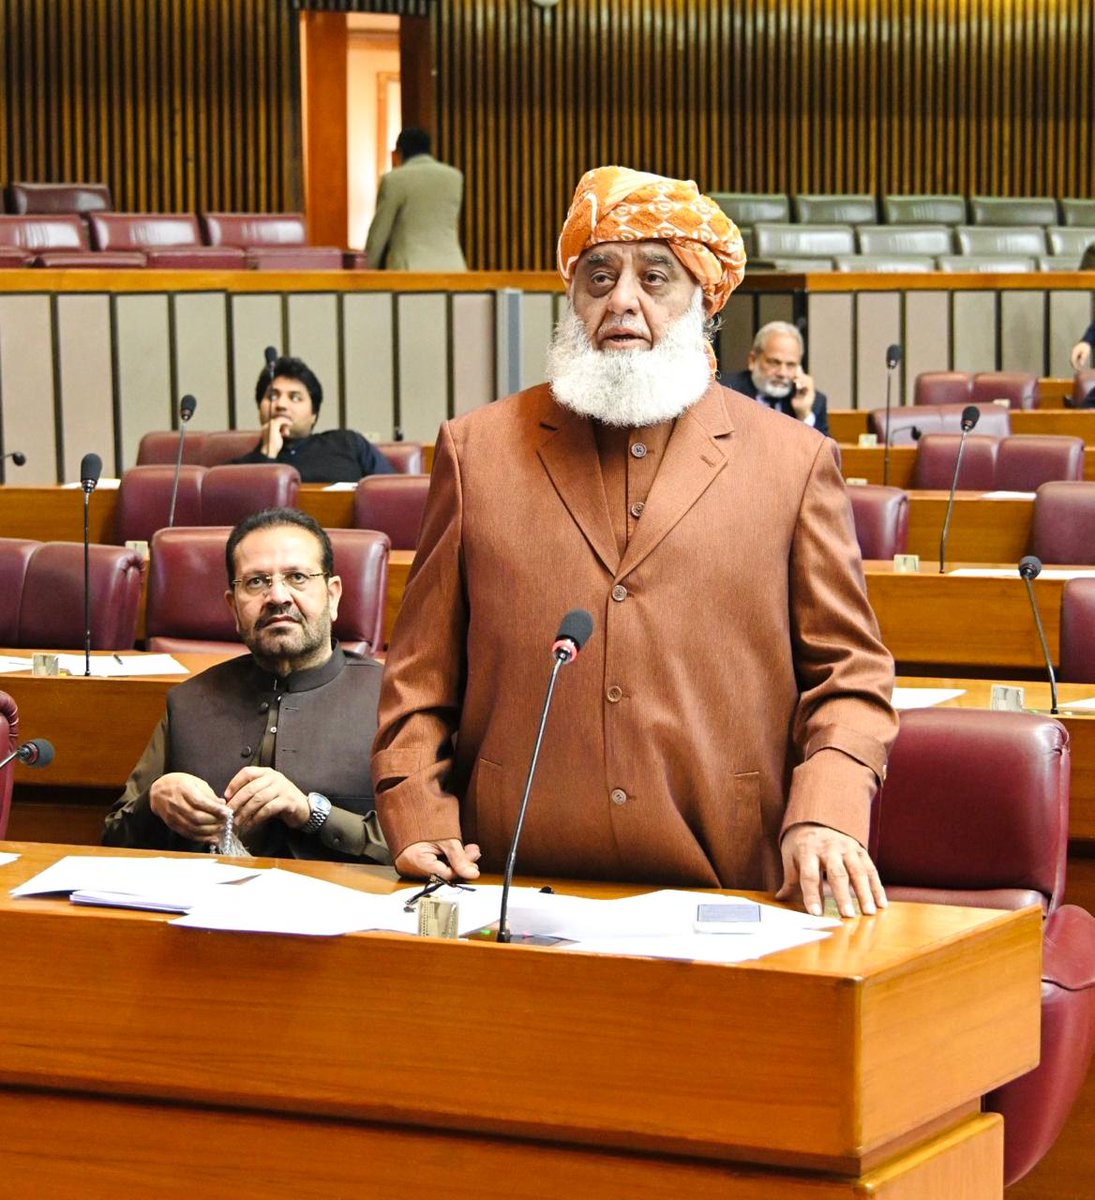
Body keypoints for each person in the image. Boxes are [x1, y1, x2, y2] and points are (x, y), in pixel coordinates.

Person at [372, 166, 898, 919]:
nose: (622, 299)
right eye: (598, 276)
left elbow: (849, 674)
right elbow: (419, 675)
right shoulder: (476, 450)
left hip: (729, 881)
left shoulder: (791, 461)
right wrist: (416, 813)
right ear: (571, 298)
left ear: (702, 302)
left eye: (655, 278)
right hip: (509, 883)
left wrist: (826, 811)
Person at [104, 508, 390, 863]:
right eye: (256, 582)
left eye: (297, 577)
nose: (277, 597)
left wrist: (313, 814)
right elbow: (113, 840)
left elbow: (433, 844)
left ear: (333, 595)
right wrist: (155, 801)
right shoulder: (189, 702)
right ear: (233, 607)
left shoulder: (392, 699)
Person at [231, 355, 395, 484]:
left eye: (295, 398)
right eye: (272, 396)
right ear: (260, 407)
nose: (281, 404)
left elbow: (392, 493)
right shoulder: (236, 470)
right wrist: (267, 453)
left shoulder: (348, 444)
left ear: (313, 414)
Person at [364, 127, 467, 271]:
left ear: (399, 152)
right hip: (453, 267)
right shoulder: (454, 177)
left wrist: (367, 269)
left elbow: (379, 234)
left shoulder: (394, 179)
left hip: (410, 269)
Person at [723, 321, 830, 436]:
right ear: (753, 360)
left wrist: (803, 415)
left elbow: (824, 453)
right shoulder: (725, 391)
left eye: (790, 365)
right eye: (774, 362)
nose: (782, 373)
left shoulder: (813, 402)